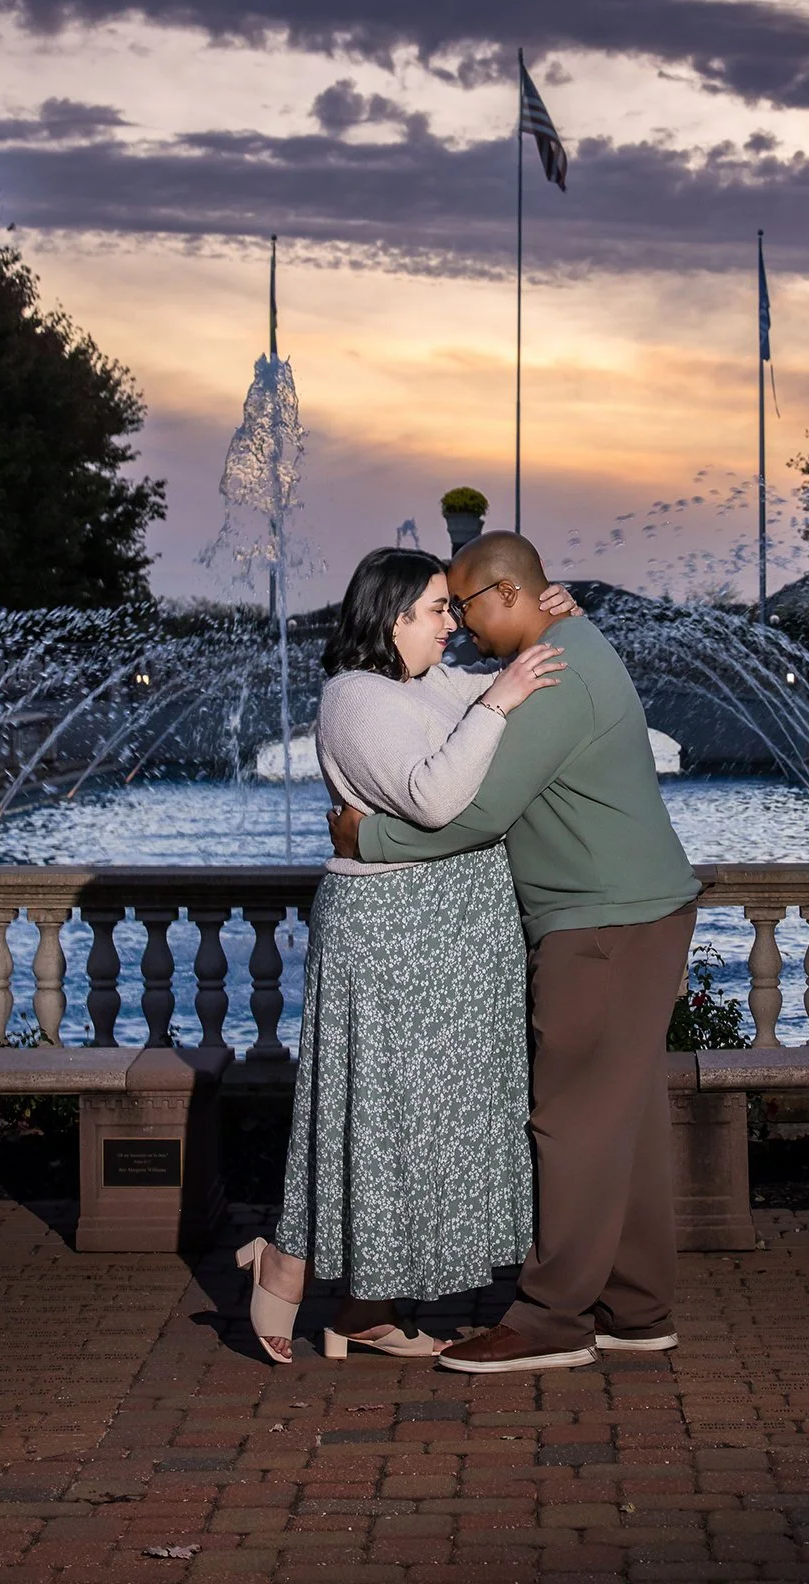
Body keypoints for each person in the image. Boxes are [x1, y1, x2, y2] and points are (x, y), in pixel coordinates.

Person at [329, 530, 702, 1375]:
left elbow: (475, 813)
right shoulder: (567, 643)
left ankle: (550, 1320)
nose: (457, 624)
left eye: (462, 606)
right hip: (635, 914)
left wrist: (368, 839)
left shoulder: (554, 676)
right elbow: (461, 704)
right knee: (625, 1125)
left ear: (505, 595)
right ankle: (637, 1311)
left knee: (569, 1124)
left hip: (602, 925)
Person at [236, 546, 580, 1364]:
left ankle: (366, 1309)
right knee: (378, 1112)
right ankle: (286, 1261)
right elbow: (434, 797)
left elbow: (509, 686)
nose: (452, 623)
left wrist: (551, 614)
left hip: (450, 936)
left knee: (427, 1124)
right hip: (393, 937)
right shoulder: (354, 698)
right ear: (393, 618)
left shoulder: (418, 683)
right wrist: (498, 699)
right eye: (437, 609)